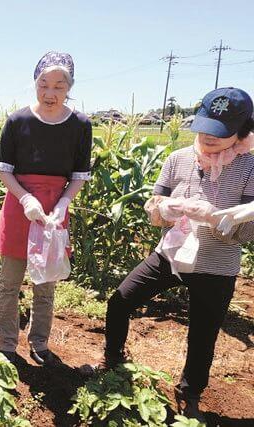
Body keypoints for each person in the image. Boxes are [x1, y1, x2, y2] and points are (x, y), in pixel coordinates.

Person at [87, 87, 254, 422]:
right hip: (171, 255)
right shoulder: (177, 158)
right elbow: (155, 210)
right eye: (204, 128)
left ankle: (189, 392)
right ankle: (113, 360)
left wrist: (215, 216)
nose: (207, 137)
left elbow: (248, 233)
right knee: (120, 300)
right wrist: (163, 209)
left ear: (242, 132)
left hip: (216, 265)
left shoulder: (249, 166)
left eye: (219, 133)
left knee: (203, 334)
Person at [0, 51, 93, 367]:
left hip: (53, 211)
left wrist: (63, 203)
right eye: (43, 84)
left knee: (45, 284)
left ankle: (39, 343)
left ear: (70, 87)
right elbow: (4, 169)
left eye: (59, 86)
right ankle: (6, 345)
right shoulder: (18, 121)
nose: (50, 93)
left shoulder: (80, 125)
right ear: (34, 83)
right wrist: (25, 198)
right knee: (9, 283)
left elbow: (78, 175)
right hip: (19, 205)